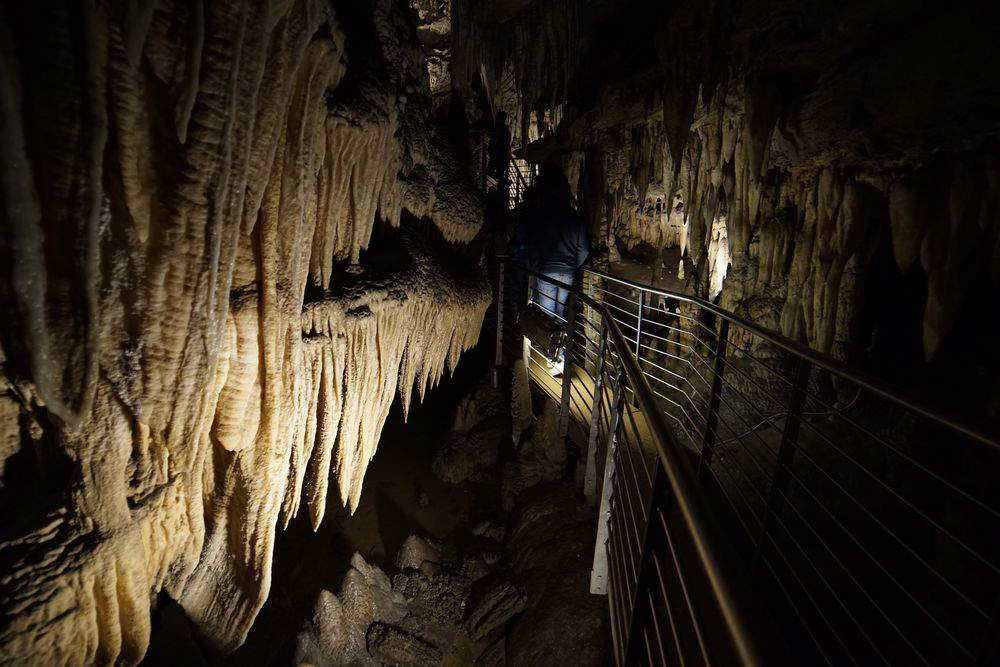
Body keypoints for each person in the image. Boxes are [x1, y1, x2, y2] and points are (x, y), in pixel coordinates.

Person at [522, 164, 589, 321]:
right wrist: (572, 264)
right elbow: (584, 250)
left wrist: (534, 262)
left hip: (547, 269)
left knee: (547, 315)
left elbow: (533, 243)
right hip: (567, 272)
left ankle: (552, 337)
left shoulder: (542, 215)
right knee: (559, 312)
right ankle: (560, 337)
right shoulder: (576, 218)